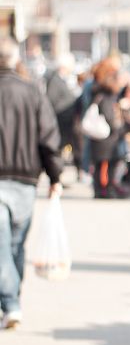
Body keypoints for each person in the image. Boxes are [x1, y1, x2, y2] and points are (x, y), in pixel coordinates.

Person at [0, 37, 63, 329]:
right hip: (25, 179)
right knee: (13, 244)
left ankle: (10, 301)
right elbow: (48, 137)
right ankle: (12, 301)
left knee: (7, 246)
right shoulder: (32, 92)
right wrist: (55, 175)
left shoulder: (32, 92)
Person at [89, 57, 128, 199]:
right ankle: (106, 189)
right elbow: (109, 116)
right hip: (107, 137)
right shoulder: (107, 97)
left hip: (101, 136)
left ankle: (102, 189)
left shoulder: (98, 93)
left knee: (100, 165)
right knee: (108, 164)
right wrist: (119, 128)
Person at [46, 53, 81, 174]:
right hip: (60, 122)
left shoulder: (61, 80)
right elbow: (51, 101)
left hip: (64, 123)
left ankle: (59, 173)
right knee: (59, 150)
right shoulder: (55, 81)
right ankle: (57, 174)